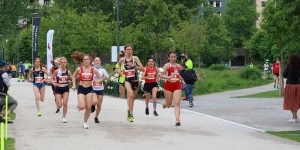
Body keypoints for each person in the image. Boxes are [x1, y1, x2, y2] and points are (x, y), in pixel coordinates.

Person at [73, 54, 103, 129]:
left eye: (87, 59)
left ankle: (85, 122)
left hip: (89, 89)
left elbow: (101, 78)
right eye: (85, 59)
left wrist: (97, 81)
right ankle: (79, 106)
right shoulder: (79, 69)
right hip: (81, 88)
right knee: (82, 106)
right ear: (83, 61)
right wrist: (74, 85)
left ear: (90, 61)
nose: (86, 61)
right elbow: (73, 76)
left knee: (88, 107)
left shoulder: (93, 69)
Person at [118, 44, 144, 122]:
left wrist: (134, 66)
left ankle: (129, 109)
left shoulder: (135, 58)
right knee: (130, 94)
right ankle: (131, 114)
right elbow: (119, 64)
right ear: (125, 51)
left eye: (130, 49)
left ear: (132, 51)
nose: (129, 51)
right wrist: (120, 71)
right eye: (127, 49)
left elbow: (142, 69)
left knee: (133, 97)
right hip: (127, 80)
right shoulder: (122, 59)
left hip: (135, 80)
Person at [161, 51, 186, 126]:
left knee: (177, 104)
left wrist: (182, 80)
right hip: (168, 86)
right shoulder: (167, 65)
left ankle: (177, 120)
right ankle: (166, 103)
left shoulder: (178, 66)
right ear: (169, 58)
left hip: (177, 86)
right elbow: (160, 75)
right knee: (169, 105)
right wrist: (168, 77)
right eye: (171, 57)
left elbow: (178, 75)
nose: (173, 58)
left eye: (174, 57)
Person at [51, 57, 76, 123]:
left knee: (65, 103)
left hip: (65, 88)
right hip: (58, 88)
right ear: (60, 63)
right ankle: (59, 105)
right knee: (59, 105)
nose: (63, 64)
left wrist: (73, 84)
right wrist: (54, 83)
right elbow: (51, 78)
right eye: (62, 62)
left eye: (64, 62)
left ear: (66, 63)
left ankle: (64, 116)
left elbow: (73, 78)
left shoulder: (68, 72)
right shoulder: (57, 71)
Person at [91, 57, 110, 123]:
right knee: (95, 101)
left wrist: (106, 76)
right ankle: (92, 105)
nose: (97, 62)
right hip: (93, 88)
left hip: (100, 88)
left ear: (100, 61)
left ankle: (96, 117)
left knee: (99, 104)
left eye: (98, 60)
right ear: (94, 62)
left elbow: (108, 78)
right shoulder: (91, 69)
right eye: (96, 60)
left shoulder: (103, 70)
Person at [283, 53, 300, 123]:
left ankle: (295, 116)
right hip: (298, 86)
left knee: (290, 101)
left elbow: (284, 75)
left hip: (290, 86)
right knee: (296, 101)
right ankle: (294, 116)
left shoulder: (289, 66)